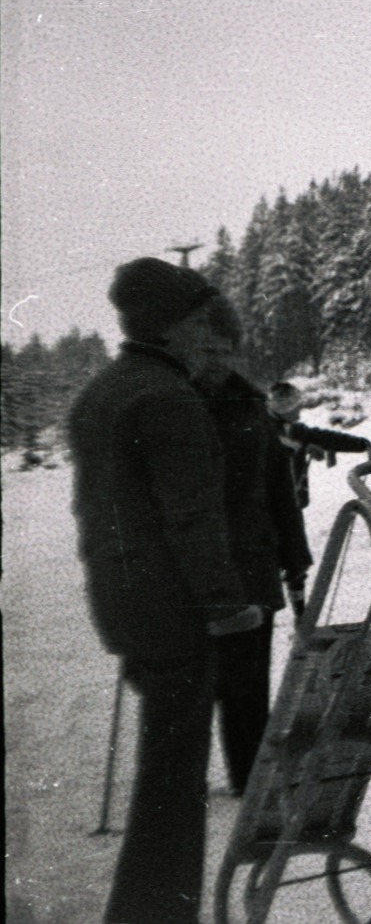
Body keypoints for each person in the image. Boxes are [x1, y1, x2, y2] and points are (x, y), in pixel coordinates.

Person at [68, 257, 263, 924]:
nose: (207, 335)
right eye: (199, 323)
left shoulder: (106, 389)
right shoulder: (169, 398)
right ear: (175, 325)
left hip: (126, 606)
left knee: (165, 780)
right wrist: (228, 605)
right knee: (173, 789)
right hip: (175, 614)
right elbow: (192, 518)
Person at [196, 363, 314, 797]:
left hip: (219, 565)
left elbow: (279, 487)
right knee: (242, 678)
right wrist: (294, 555)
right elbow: (282, 490)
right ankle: (251, 773)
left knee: (220, 678)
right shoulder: (254, 415)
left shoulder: (189, 412)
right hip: (245, 564)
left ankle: (242, 774)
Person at [267, 380, 371, 510]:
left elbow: (328, 438)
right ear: (284, 408)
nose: (299, 411)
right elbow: (274, 446)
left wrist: (363, 444)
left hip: (292, 505)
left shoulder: (295, 430)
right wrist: (303, 447)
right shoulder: (263, 430)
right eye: (295, 407)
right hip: (267, 509)